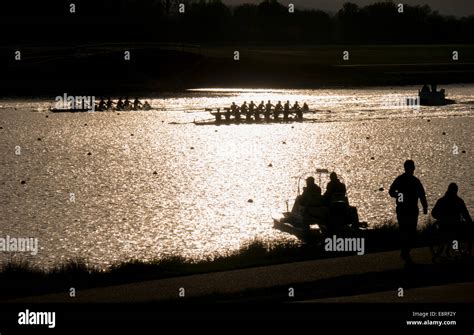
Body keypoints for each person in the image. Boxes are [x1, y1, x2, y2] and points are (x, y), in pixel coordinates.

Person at [389, 160, 428, 266]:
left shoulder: (401, 180)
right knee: (409, 231)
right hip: (409, 209)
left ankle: (405, 251)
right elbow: (422, 196)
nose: (413, 169)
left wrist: (398, 195)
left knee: (406, 230)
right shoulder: (414, 181)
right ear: (412, 168)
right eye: (413, 167)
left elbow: (392, 191)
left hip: (404, 209)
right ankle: (405, 252)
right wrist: (425, 207)